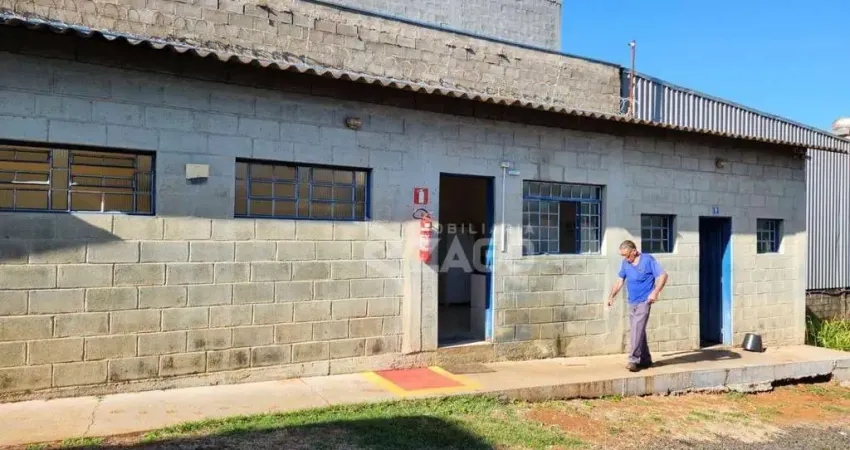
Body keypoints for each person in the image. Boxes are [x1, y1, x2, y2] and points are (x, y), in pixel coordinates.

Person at [607, 240, 668, 372]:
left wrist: (655, 292)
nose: (626, 258)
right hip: (632, 302)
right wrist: (612, 296)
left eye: (627, 255)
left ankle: (633, 360)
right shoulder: (625, 263)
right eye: (623, 256)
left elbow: (663, 275)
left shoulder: (647, 260)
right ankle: (645, 359)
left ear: (634, 251)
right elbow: (620, 280)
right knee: (639, 330)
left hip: (644, 301)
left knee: (636, 329)